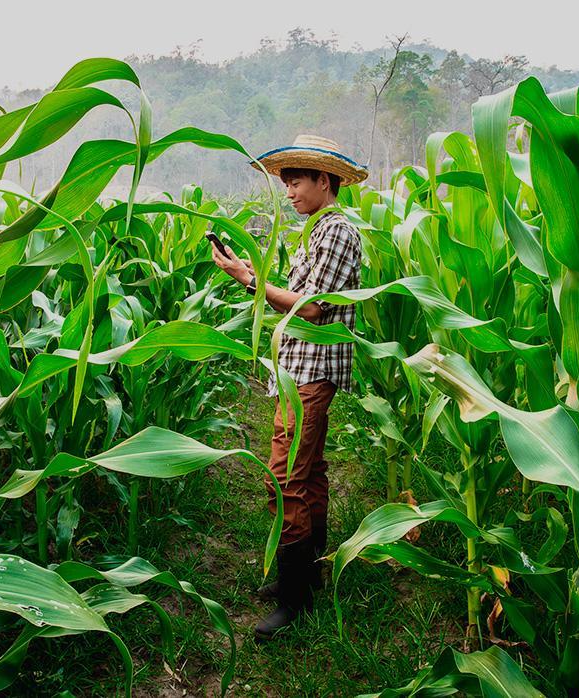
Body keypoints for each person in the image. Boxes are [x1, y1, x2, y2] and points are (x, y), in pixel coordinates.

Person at [210, 134, 366, 639]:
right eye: (285, 182)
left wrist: (252, 283)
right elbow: (297, 294)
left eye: (297, 181)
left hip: (310, 373)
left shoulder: (335, 232)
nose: (290, 191)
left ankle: (294, 595)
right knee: (311, 471)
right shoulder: (316, 231)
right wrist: (250, 273)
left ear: (325, 180)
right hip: (299, 369)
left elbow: (314, 309)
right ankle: (308, 575)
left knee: (285, 478)